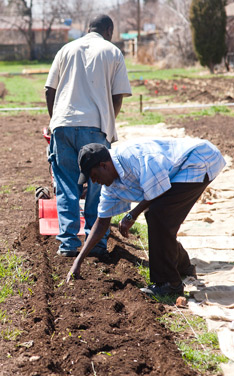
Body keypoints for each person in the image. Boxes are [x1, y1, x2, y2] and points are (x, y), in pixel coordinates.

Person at [66, 137, 226, 297]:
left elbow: (159, 190)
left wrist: (132, 215)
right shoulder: (111, 185)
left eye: (93, 175)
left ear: (104, 165)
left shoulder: (133, 158)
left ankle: (170, 284)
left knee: (158, 215)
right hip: (180, 170)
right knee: (158, 216)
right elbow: (101, 223)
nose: (94, 181)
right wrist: (78, 261)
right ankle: (183, 266)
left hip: (199, 159)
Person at [44, 14, 132, 257]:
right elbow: (118, 96)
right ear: (108, 29)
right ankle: (97, 243)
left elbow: (49, 90)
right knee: (98, 186)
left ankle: (69, 243)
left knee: (66, 185)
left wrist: (55, 121)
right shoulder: (112, 51)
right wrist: (109, 126)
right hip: (94, 127)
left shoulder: (66, 49)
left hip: (63, 125)